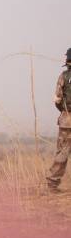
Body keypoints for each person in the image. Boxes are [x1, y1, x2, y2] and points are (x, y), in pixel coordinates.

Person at [46, 48, 71, 193]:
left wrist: (64, 112)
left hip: (66, 120)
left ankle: (53, 184)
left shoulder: (63, 76)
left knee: (62, 152)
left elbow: (57, 99)